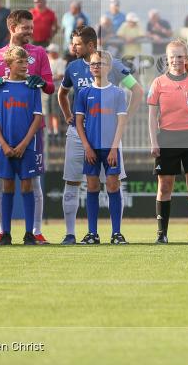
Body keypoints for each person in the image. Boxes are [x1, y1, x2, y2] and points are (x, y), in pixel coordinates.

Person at [58, 26, 142, 245]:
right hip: (80, 136)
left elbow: (138, 90)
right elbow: (62, 93)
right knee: (75, 181)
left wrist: (124, 119)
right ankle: (71, 233)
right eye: (73, 43)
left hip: (108, 136)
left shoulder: (112, 64)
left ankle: (115, 232)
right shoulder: (73, 67)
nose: (73, 47)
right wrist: (68, 115)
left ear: (91, 45)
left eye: (77, 43)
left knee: (112, 184)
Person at [0, 10, 55, 245]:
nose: (31, 32)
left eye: (32, 28)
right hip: (5, 131)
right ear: (13, 28)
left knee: (32, 182)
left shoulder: (39, 53)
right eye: (26, 28)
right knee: (2, 183)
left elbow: (50, 87)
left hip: (32, 130)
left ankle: (35, 230)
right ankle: (2, 230)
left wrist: (42, 82)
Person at [148, 39, 188, 244]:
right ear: (167, 59)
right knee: (165, 186)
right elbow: (151, 115)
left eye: (180, 56)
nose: (176, 60)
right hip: (167, 138)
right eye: (172, 56)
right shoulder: (158, 83)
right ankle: (161, 234)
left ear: (186, 58)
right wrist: (153, 141)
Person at [0, 46, 44, 246]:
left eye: (26, 62)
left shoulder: (32, 88)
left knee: (28, 185)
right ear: (9, 64)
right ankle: (5, 233)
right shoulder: (0, 88)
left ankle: (30, 233)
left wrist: (24, 144)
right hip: (4, 146)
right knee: (7, 186)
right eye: (20, 62)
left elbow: (37, 118)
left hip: (27, 146)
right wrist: (3, 144)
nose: (24, 65)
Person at [75, 50, 130, 245]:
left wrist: (114, 148)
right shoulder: (83, 93)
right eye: (93, 64)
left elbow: (121, 122)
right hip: (91, 148)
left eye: (100, 63)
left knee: (113, 185)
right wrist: (86, 147)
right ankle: (92, 233)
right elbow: (79, 122)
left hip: (110, 147)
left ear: (109, 67)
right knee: (92, 186)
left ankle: (116, 233)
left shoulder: (118, 92)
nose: (96, 67)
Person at [45, 43, 67, 136]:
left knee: (55, 112)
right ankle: (49, 131)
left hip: (56, 90)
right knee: (47, 111)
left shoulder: (61, 62)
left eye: (50, 51)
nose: (49, 53)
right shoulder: (47, 61)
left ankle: (55, 131)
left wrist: (48, 78)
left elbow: (61, 75)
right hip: (46, 90)